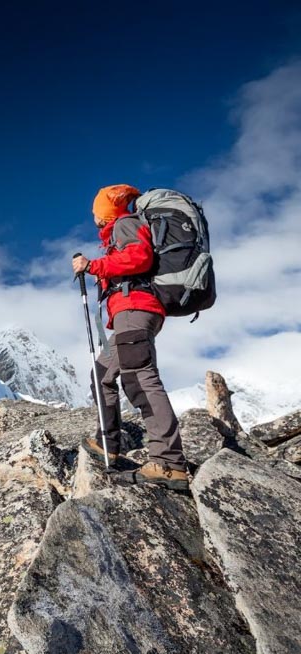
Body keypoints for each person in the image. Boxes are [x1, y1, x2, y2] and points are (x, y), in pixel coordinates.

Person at [71, 184, 189, 490]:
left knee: (140, 377)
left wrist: (93, 266)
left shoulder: (125, 224)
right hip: (129, 313)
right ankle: (108, 443)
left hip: (135, 308)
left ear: (105, 212)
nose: (94, 216)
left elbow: (140, 258)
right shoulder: (119, 232)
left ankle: (168, 462)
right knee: (102, 375)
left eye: (96, 211)